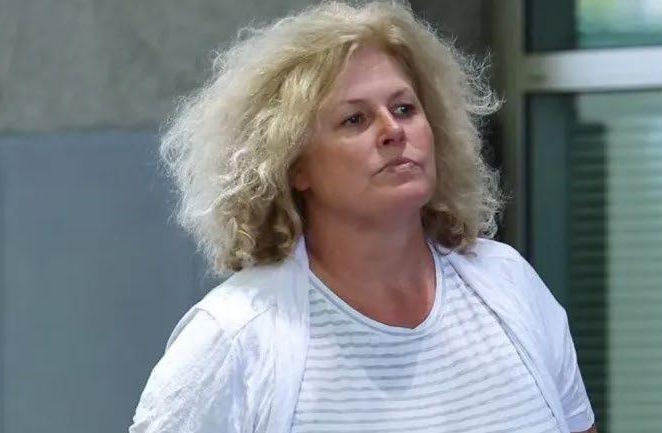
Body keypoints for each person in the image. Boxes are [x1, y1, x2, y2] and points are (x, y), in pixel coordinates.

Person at [129, 1, 596, 432]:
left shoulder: (507, 284)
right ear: (293, 166)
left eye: (404, 108)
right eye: (355, 119)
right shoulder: (235, 336)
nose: (394, 131)